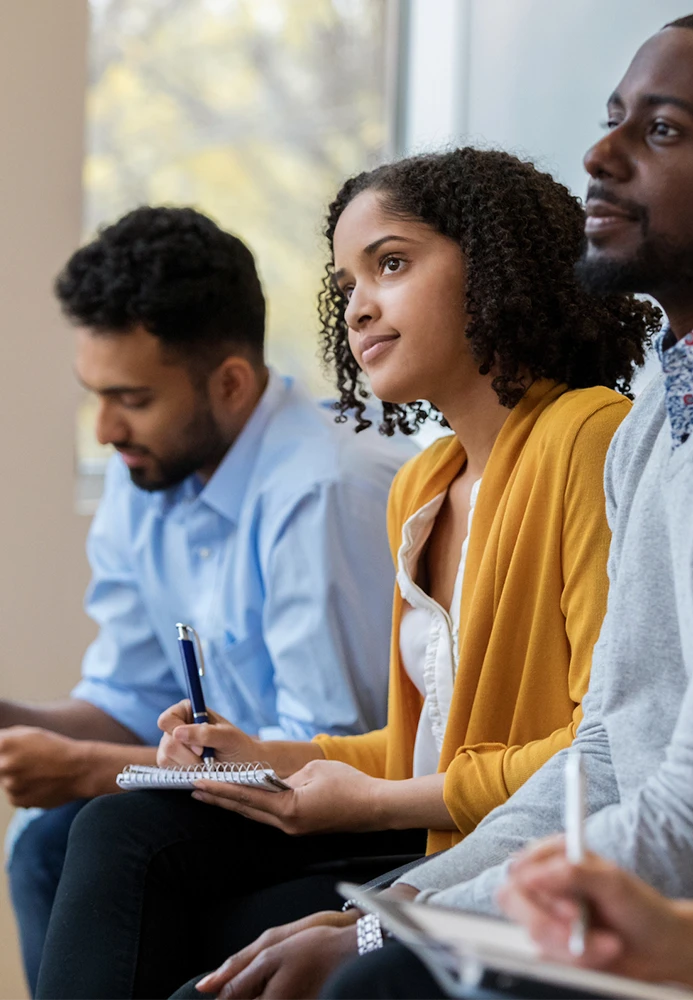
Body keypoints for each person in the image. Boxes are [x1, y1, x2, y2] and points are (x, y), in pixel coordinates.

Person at [174, 9, 693, 1000]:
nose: (599, 152)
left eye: (661, 129)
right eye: (614, 118)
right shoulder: (671, 403)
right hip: (653, 887)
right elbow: (611, 749)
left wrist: (388, 940)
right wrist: (380, 917)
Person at [32, 147, 659, 1000]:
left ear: (496, 264)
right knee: (118, 830)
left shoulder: (588, 437)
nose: (361, 307)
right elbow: (414, 752)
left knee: (193, 948)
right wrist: (265, 758)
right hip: (430, 829)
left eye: (391, 264)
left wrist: (366, 806)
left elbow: (604, 749)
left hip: (504, 842)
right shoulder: (425, 483)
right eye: (344, 287)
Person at [0, 205, 411, 995]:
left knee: (98, 831)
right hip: (252, 800)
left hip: (359, 816)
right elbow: (127, 701)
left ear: (230, 382)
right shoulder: (148, 470)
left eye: (132, 399)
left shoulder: (322, 490)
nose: (106, 430)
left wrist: (87, 769)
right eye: (96, 395)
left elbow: (335, 761)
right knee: (42, 839)